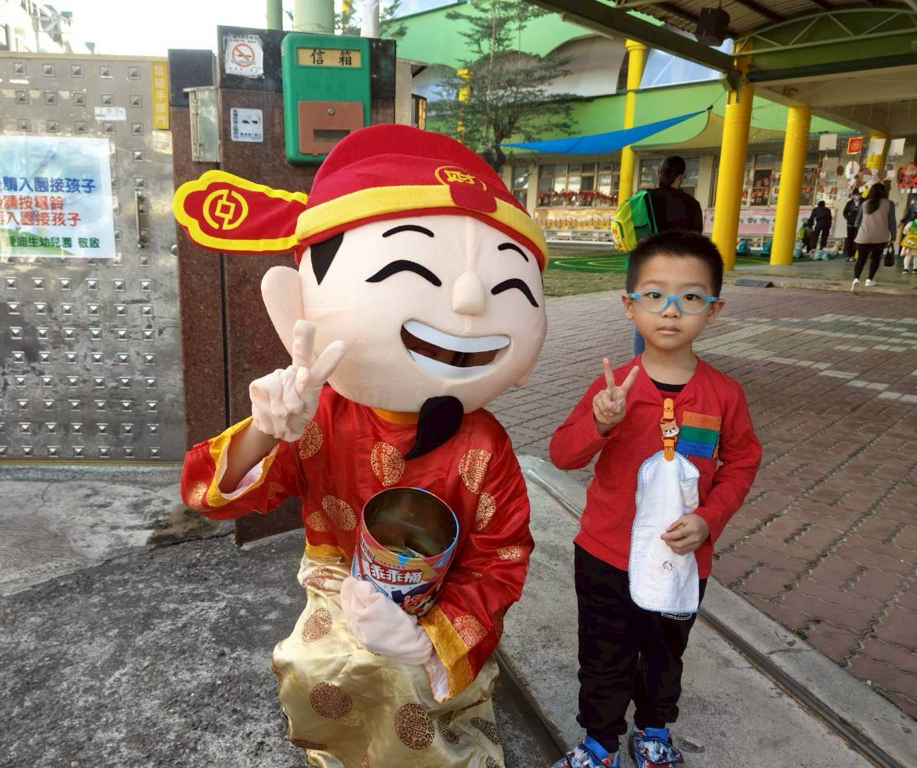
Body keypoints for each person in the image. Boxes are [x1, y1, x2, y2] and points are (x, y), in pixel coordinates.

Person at [174, 124, 548, 767]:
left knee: (410, 685)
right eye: (408, 269)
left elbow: (501, 556)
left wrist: (432, 640)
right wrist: (266, 428)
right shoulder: (320, 415)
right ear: (298, 306)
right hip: (338, 576)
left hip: (442, 596)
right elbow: (210, 495)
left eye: (508, 287)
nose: (468, 299)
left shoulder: (485, 446)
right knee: (316, 667)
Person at [549, 230, 761, 768]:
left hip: (682, 561)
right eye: (654, 295)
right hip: (604, 554)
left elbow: (741, 462)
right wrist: (600, 422)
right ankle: (599, 743)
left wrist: (709, 519)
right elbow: (563, 454)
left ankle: (654, 730)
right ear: (630, 306)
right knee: (603, 653)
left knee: (665, 653)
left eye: (690, 297)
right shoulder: (613, 389)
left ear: (713, 310)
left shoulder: (725, 395)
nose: (671, 310)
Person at [632, 156, 703, 356]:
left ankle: (641, 363)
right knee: (678, 317)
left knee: (646, 318)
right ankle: (672, 362)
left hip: (651, 269)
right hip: (682, 272)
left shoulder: (646, 198)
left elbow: (636, 234)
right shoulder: (692, 204)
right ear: (682, 176)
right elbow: (697, 242)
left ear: (658, 174)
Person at [851, 182, 897, 292]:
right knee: (876, 258)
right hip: (880, 237)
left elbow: (857, 222)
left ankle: (856, 279)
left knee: (861, 259)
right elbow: (892, 222)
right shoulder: (889, 203)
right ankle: (869, 280)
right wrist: (893, 236)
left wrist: (861, 231)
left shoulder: (864, 204)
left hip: (864, 236)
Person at [843, 189, 863, 261]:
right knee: (850, 239)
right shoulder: (849, 203)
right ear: (853, 195)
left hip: (860, 224)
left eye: (859, 194)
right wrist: (849, 218)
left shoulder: (864, 202)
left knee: (858, 239)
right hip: (850, 224)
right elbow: (844, 212)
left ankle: (855, 255)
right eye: (856, 194)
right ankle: (849, 255)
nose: (858, 196)